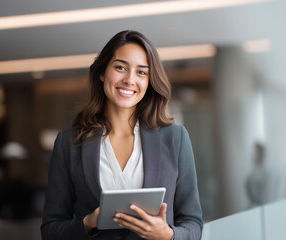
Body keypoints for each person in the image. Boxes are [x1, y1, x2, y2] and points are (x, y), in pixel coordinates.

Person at [40, 30, 203, 240]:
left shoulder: (175, 138)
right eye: (120, 67)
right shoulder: (69, 144)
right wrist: (88, 223)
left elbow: (193, 224)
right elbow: (51, 230)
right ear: (102, 72)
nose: (129, 79)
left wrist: (168, 235)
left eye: (141, 72)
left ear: (149, 81)